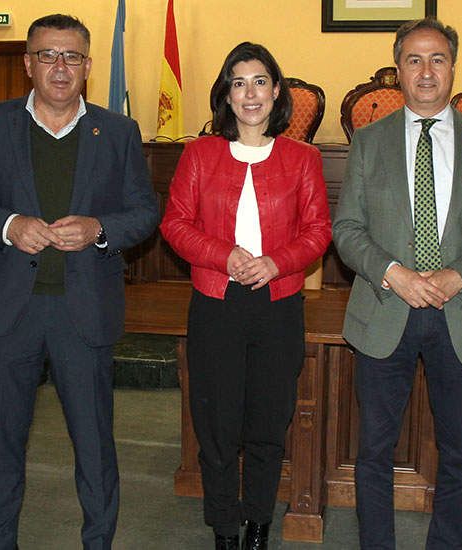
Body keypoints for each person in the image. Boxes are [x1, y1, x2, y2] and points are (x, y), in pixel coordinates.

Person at [0, 14, 158, 549]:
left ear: (87, 65)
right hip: (9, 312)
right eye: (47, 55)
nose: (60, 67)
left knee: (95, 445)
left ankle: (98, 541)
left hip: (82, 313)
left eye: (72, 57)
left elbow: (146, 211)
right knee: (3, 443)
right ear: (27, 64)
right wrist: (9, 225)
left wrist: (99, 228)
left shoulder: (119, 131)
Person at [332, 18, 462, 550]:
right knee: (373, 451)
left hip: (460, 313)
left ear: (453, 68)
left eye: (437, 59)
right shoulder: (369, 143)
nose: (425, 71)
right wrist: (395, 273)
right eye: (413, 60)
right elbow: (346, 230)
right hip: (384, 310)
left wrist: (458, 273)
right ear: (398, 71)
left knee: (458, 453)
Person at [160, 42, 331, 550]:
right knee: (216, 426)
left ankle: (258, 522)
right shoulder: (200, 153)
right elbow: (175, 223)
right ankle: (224, 529)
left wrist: (276, 261)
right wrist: (223, 255)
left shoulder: (303, 158)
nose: (250, 92)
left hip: (278, 305)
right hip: (216, 302)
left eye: (259, 81)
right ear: (226, 95)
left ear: (276, 91)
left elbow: (319, 231)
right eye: (238, 82)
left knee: (267, 422)